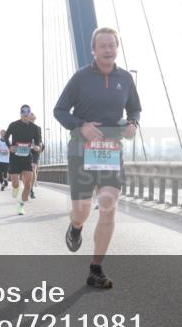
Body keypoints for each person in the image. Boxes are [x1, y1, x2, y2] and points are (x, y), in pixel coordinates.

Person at [54, 28, 140, 288]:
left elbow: (134, 107)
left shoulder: (125, 79)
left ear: (117, 48)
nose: (108, 49)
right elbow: (59, 110)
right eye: (102, 45)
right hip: (82, 151)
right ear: (94, 50)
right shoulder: (80, 78)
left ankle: (96, 268)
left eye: (112, 45)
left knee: (108, 204)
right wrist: (81, 126)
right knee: (81, 210)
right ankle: (76, 226)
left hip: (111, 151)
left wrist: (132, 123)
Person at [6, 105, 43, 215]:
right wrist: (9, 147)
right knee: (15, 183)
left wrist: (37, 147)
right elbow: (6, 137)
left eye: (27, 112)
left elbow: (38, 142)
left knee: (27, 184)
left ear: (30, 114)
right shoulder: (13, 125)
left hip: (27, 157)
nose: (25, 114)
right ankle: (15, 187)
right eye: (23, 112)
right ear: (20, 113)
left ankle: (21, 206)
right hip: (15, 158)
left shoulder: (35, 128)